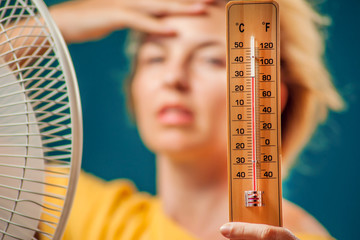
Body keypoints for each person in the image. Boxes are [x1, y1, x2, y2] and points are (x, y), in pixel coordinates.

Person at [47, 0, 343, 239]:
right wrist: (56, 23)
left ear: (264, 95)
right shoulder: (96, 218)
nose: (174, 77)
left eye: (210, 59)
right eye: (155, 58)